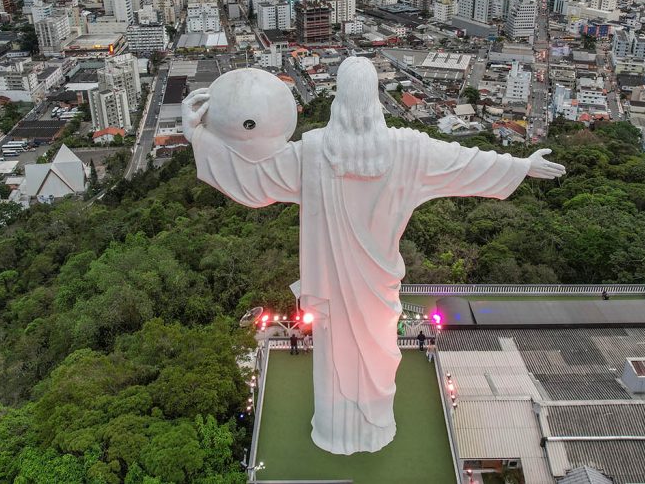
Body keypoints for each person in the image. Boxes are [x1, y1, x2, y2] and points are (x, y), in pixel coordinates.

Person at [184, 57, 565, 455]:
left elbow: (254, 179)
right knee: (378, 356)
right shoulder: (409, 150)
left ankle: (337, 431)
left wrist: (200, 137)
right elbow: (466, 162)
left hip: (333, 287)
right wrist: (520, 165)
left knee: (336, 360)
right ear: (376, 102)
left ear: (337, 104)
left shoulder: (312, 153)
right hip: (379, 287)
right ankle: (368, 428)